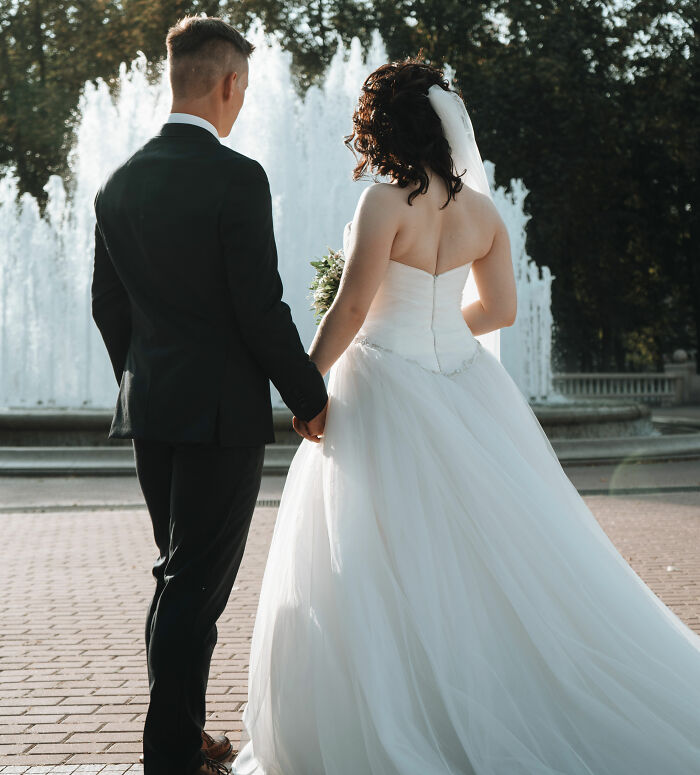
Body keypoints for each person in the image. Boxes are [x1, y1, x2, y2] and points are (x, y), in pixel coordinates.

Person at [233, 60, 700, 775]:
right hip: (466, 387)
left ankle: (407, 710)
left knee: (376, 559)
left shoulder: (384, 205)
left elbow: (351, 309)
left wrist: (307, 383)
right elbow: (504, 311)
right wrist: (445, 332)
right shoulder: (484, 214)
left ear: (385, 128)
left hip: (383, 389)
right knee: (486, 554)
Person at [91, 16, 328, 775]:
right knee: (193, 585)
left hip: (153, 411)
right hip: (222, 417)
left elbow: (107, 305)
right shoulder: (239, 177)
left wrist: (147, 377)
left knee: (176, 575)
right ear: (228, 84)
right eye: (244, 89)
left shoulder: (117, 181)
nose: (242, 103)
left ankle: (183, 735)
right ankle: (170, 755)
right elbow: (260, 306)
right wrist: (309, 394)